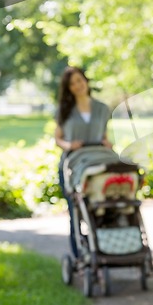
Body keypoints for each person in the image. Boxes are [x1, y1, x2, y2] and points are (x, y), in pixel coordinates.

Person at [55, 66, 112, 257]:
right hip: (73, 164)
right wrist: (69, 145)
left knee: (102, 208)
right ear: (69, 88)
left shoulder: (102, 109)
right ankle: (79, 255)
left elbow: (104, 134)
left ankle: (104, 248)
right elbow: (58, 138)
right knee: (76, 211)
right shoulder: (65, 111)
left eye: (79, 80)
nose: (77, 86)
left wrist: (106, 143)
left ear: (86, 81)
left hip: (97, 163)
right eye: (72, 84)